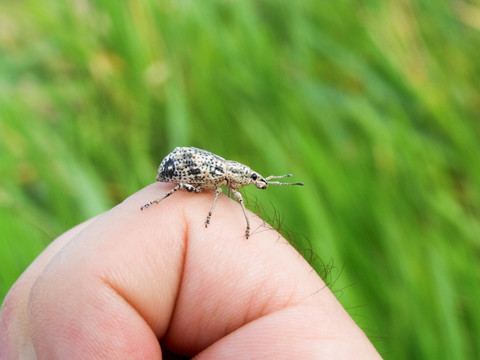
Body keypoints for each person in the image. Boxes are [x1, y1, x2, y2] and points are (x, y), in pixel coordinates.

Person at [0, 184, 381, 359]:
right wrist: (213, 214)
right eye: (252, 180)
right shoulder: (219, 186)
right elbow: (212, 194)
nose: (253, 184)